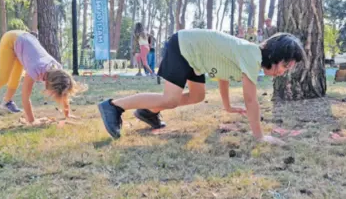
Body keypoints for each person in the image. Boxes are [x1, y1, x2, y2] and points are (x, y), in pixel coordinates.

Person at [98, 29, 305, 145]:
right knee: (170, 98)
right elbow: (251, 100)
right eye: (285, 65)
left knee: (197, 95)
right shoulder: (252, 55)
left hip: (195, 56)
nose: (283, 71)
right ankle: (113, 106)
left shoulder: (248, 57)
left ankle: (149, 112)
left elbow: (223, 77)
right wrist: (260, 137)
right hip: (185, 47)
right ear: (276, 55)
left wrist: (228, 107)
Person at [0, 30, 85, 124]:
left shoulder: (57, 69)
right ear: (50, 83)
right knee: (3, 78)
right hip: (11, 39)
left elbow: (63, 91)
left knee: (16, 77)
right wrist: (32, 121)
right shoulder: (35, 69)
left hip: (24, 41)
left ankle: (7, 102)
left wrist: (67, 113)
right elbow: (25, 98)